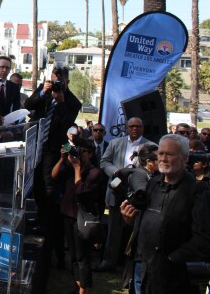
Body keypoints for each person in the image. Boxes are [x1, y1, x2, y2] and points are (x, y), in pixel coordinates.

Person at [121, 134, 210, 294]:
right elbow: (146, 222)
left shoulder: (197, 191)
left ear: (184, 158)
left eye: (169, 154)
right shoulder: (154, 183)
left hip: (174, 277)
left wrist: (171, 259)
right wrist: (130, 220)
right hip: (143, 267)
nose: (163, 158)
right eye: (160, 154)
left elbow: (203, 240)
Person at [26, 64, 81, 290]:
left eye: (60, 80)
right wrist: (43, 92)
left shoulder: (71, 100)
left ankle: (46, 220)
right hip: (36, 143)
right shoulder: (44, 90)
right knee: (36, 184)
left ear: (66, 81)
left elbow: (68, 118)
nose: (56, 83)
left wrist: (61, 98)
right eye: (53, 79)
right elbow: (28, 105)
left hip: (52, 147)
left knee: (49, 184)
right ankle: (40, 214)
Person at [97, 117, 156, 272]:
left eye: (138, 126)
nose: (135, 129)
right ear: (127, 128)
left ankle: (131, 264)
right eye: (131, 126)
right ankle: (109, 261)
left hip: (139, 193)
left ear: (143, 128)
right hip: (117, 191)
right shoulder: (115, 143)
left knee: (136, 229)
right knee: (113, 229)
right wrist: (116, 172)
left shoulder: (151, 146)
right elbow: (104, 162)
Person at [52, 137, 104, 294]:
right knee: (73, 255)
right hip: (68, 214)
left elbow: (80, 191)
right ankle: (78, 285)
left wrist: (76, 169)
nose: (80, 154)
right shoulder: (70, 165)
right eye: (78, 150)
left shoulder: (95, 173)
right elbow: (54, 176)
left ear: (90, 154)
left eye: (83, 152)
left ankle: (84, 289)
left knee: (82, 256)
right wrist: (62, 159)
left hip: (82, 219)